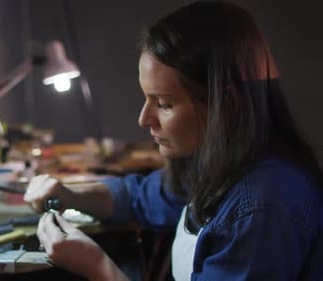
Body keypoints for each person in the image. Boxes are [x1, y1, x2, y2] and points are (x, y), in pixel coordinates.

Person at [24, 1, 323, 280]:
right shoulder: (219, 166)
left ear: (228, 104)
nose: (144, 119)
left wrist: (99, 267)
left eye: (164, 103)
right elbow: (140, 197)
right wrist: (71, 195)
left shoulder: (261, 210)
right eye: (147, 99)